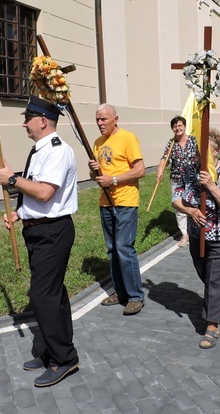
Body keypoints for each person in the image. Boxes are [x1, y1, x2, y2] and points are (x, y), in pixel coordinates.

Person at [0, 95, 79, 387]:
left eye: (27, 118)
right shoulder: (39, 150)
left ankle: (64, 359)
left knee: (42, 296)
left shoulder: (57, 151)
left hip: (53, 232)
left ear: (42, 121)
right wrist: (19, 213)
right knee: (52, 293)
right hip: (38, 229)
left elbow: (44, 193)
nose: (23, 124)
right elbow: (35, 196)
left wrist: (12, 180)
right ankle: (52, 351)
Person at [171, 128, 220, 349]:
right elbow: (175, 198)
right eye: (199, 153)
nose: (201, 157)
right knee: (205, 274)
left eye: (206, 152)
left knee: (215, 279)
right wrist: (190, 211)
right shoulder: (189, 171)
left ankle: (212, 325)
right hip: (197, 234)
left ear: (217, 152)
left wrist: (211, 185)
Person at [88, 103, 146, 315]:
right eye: (97, 119)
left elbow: (140, 170)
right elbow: (96, 177)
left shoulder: (128, 138)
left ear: (115, 119)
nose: (100, 123)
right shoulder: (97, 143)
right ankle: (120, 292)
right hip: (105, 202)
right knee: (113, 250)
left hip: (125, 201)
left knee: (124, 248)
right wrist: (94, 172)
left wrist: (112, 179)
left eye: (104, 119)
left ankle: (135, 296)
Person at [155, 116, 199, 246]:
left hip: (192, 179)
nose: (177, 128)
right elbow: (165, 158)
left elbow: (201, 156)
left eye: (180, 125)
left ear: (184, 126)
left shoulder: (193, 140)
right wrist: (159, 171)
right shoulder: (171, 143)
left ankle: (196, 230)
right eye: (175, 126)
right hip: (177, 180)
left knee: (193, 203)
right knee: (180, 207)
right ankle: (185, 234)